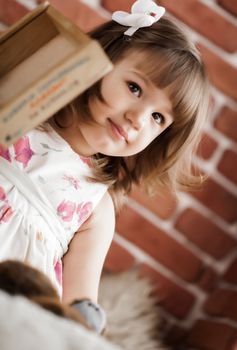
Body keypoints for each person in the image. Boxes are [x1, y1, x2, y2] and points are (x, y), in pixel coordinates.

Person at [0, 0, 209, 334]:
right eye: (135, 88)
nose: (137, 119)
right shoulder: (22, 110)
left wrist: (83, 318)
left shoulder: (95, 206)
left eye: (158, 118)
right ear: (100, 59)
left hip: (15, 312)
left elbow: (80, 301)